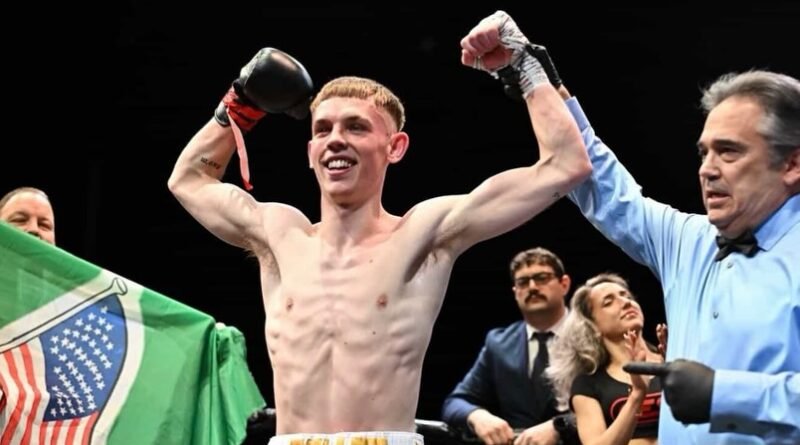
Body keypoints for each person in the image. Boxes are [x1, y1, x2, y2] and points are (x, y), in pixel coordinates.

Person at [167, 9, 590, 442]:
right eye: (323, 129)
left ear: (395, 147)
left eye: (356, 127)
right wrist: (239, 106)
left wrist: (524, 64)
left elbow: (565, 166)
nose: (336, 139)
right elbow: (188, 180)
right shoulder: (279, 233)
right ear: (310, 151)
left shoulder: (423, 234)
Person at [555, 64, 799, 443]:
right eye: (704, 153)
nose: (707, 170)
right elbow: (602, 186)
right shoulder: (689, 240)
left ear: (792, 164)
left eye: (728, 152)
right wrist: (538, 82)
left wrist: (724, 394)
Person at [441, 247, 578, 445]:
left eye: (542, 278)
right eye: (523, 282)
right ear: (515, 292)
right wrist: (477, 415)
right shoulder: (499, 344)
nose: (532, 287)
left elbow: (613, 399)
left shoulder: (593, 334)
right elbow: (455, 402)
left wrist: (561, 425)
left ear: (564, 284)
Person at [547, 273, 665, 445]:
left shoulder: (670, 359)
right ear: (592, 325)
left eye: (627, 296)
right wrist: (637, 395)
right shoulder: (587, 384)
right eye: (608, 302)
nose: (626, 302)